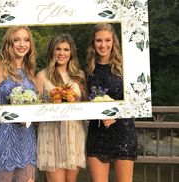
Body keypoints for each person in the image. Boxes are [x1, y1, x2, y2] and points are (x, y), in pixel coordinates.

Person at [86, 23, 137, 182]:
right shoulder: (88, 70)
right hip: (98, 133)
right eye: (99, 40)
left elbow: (137, 101)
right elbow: (83, 101)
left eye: (107, 40)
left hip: (123, 131)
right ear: (93, 43)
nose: (103, 45)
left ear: (114, 41)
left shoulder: (127, 67)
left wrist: (117, 115)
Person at [0, 26, 37, 182]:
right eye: (16, 40)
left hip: (26, 137)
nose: (22, 44)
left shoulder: (29, 70)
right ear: (9, 43)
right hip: (3, 136)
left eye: (26, 39)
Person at [36, 33, 86, 182]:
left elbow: (86, 103)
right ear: (52, 51)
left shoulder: (80, 76)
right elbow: (35, 108)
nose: (62, 53)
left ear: (71, 53)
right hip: (51, 132)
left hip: (75, 133)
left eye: (66, 49)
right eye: (58, 49)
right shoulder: (42, 76)